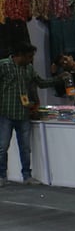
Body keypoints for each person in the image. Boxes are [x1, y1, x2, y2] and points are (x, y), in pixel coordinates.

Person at [0, 43, 58, 186]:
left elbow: (41, 83)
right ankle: (2, 176)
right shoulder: (3, 65)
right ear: (20, 55)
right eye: (29, 56)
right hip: (5, 113)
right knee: (2, 147)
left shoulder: (29, 68)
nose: (31, 59)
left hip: (23, 114)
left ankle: (27, 176)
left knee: (25, 148)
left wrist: (59, 79)